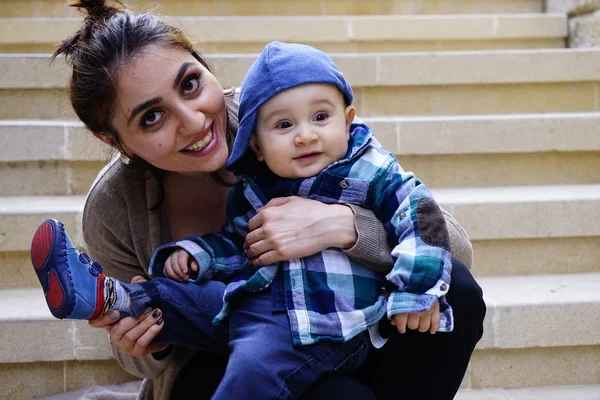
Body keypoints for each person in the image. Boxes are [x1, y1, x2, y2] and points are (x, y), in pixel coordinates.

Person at [35, 1, 485, 399]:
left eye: (190, 84)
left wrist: (342, 225)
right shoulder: (113, 205)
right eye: (152, 117)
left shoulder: (289, 113)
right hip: (227, 355)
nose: (193, 121)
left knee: (457, 293)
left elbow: (452, 247)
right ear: (112, 139)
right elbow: (147, 362)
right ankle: (106, 296)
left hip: (342, 324)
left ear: (205, 68)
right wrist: (147, 338)